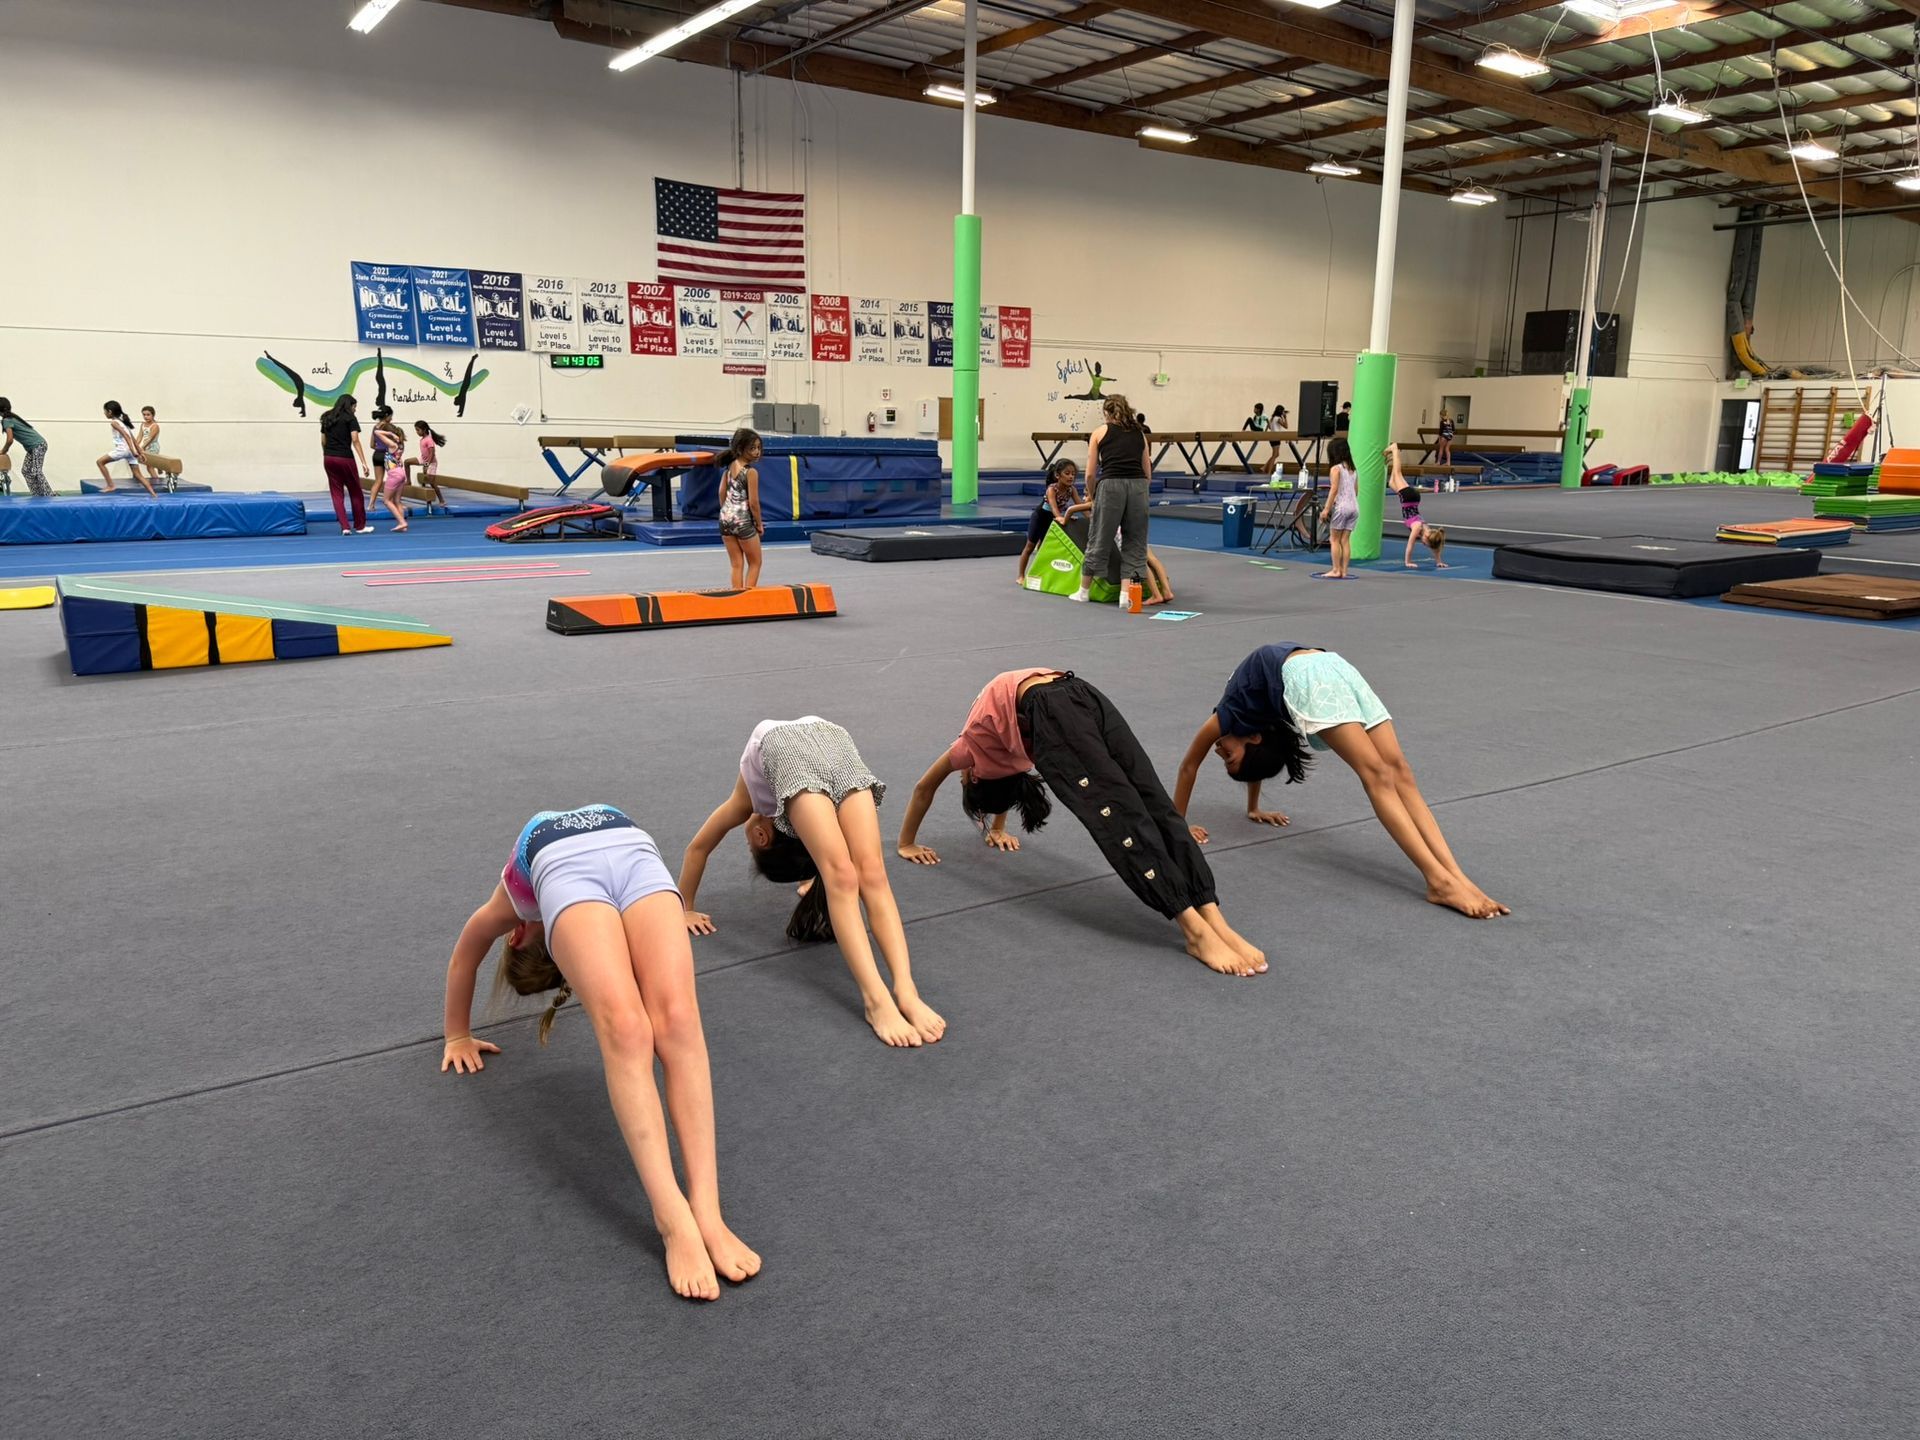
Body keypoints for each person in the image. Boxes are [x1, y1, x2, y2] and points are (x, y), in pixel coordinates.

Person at [440, 804, 760, 1301]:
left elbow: (467, 951)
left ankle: (708, 1212)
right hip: (629, 847)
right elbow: (471, 950)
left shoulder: (515, 900)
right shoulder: (528, 912)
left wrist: (457, 1033)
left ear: (520, 935)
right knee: (638, 1028)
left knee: (667, 1023)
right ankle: (677, 1218)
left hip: (600, 854)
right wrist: (455, 1034)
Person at [896, 670, 1267, 977]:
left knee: (1134, 809)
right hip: (1076, 690)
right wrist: (993, 828)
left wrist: (907, 842)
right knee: (1141, 805)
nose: (963, 774)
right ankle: (1204, 920)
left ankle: (1204, 922)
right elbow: (973, 784)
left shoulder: (973, 751)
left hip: (1053, 706)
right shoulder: (999, 758)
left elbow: (930, 787)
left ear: (976, 779)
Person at [1173, 644, 1508, 920]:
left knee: (1398, 770)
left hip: (1318, 670)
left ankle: (1452, 876)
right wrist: (1254, 808)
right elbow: (1253, 761)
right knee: (1380, 771)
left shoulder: (1226, 716)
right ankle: (1443, 879)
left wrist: (1176, 825)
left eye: (1226, 756)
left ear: (1255, 739)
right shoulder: (1252, 720)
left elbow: (1189, 766)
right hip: (1328, 665)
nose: (1219, 750)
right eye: (1227, 757)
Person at [679, 718, 945, 1048]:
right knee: (869, 874)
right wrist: (684, 906)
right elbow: (700, 847)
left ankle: (883, 998)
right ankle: (903, 990)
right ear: (762, 836)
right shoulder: (759, 805)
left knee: (843, 877)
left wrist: (685, 908)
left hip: (792, 747)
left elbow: (699, 847)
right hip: (831, 736)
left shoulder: (753, 799)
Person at [1074, 394, 1152, 603]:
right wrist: (1141, 490)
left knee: (1100, 536)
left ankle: (1083, 591)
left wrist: (1091, 494)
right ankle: (1127, 595)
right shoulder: (1139, 433)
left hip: (1111, 485)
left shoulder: (1100, 432)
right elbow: (1147, 470)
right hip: (1138, 485)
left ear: (1106, 413)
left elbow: (1090, 473)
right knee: (1135, 542)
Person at [1015, 457, 1090, 584]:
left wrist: (1091, 518)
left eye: (1073, 474)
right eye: (1067, 473)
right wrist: (1061, 517)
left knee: (1044, 548)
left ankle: (1040, 573)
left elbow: (1080, 505)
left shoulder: (1072, 490)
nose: (1071, 477)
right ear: (1057, 475)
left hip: (1053, 518)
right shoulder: (1052, 489)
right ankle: (1021, 575)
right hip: (1040, 517)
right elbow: (1054, 507)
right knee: (1029, 547)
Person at [715, 427, 764, 589]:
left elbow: (721, 493)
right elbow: (754, 503)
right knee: (755, 562)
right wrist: (759, 523)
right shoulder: (750, 472)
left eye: (758, 448)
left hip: (725, 519)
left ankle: (736, 599)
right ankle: (748, 600)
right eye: (752, 448)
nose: (757, 452)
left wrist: (727, 511)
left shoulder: (728, 470)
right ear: (740, 449)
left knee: (736, 564)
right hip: (742, 520)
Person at [1385, 444, 1448, 569]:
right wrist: (1407, 562)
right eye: (1426, 543)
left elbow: (1436, 547)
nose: (1424, 544)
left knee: (1392, 482)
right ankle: (1395, 449)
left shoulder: (1431, 534)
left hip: (1412, 499)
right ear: (1426, 537)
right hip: (1408, 498)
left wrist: (1438, 561)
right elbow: (1410, 545)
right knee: (1397, 472)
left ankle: (1392, 458)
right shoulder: (1418, 528)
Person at [317, 394, 372, 535]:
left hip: (329, 458)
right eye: (354, 407)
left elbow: (323, 441)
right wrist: (364, 462)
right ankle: (360, 526)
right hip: (345, 458)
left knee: (337, 494)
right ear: (349, 406)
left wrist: (328, 454)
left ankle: (345, 527)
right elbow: (355, 440)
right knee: (355, 492)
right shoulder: (350, 418)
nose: (355, 410)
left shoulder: (326, 417)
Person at [96, 401, 157, 497]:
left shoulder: (114, 423)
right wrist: (139, 452)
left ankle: (110, 485)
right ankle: (154, 495)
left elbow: (126, 436)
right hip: (130, 452)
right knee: (138, 475)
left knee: (99, 462)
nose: (104, 413)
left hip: (123, 450)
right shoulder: (123, 422)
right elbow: (133, 439)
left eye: (105, 411)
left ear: (110, 412)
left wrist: (134, 451)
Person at [1318, 436, 1357, 579]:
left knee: (1334, 540)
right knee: (1345, 540)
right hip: (1354, 507)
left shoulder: (1336, 469)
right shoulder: (1353, 469)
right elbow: (1356, 491)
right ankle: (1344, 571)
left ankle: (1336, 570)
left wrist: (1326, 509)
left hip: (1342, 506)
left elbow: (1333, 489)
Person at [0, 397, 54, 497]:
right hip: (33, 448)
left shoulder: (6, 420)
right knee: (26, 470)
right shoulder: (12, 418)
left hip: (38, 445)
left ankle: (49, 495)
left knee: (36, 472)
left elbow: (10, 440)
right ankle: (37, 494)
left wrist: (3, 451)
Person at [371, 447, 409, 532]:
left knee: (386, 500)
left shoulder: (392, 447)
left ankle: (402, 522)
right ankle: (403, 526)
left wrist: (390, 435)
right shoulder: (399, 447)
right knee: (397, 501)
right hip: (401, 473)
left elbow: (377, 432)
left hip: (394, 474)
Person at [411, 419, 447, 506]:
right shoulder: (423, 439)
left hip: (431, 462)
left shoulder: (429, 440)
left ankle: (442, 500)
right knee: (407, 462)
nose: (417, 432)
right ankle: (408, 481)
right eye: (416, 430)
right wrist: (424, 463)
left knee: (432, 483)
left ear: (424, 430)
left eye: (418, 430)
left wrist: (426, 465)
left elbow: (432, 453)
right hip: (424, 459)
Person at [135, 406, 163, 486]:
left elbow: (150, 438)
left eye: (148, 415)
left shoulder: (155, 426)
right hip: (145, 446)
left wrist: (142, 447)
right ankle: (159, 466)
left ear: (153, 415)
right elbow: (140, 436)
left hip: (153, 446)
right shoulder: (143, 424)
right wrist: (135, 445)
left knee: (149, 467)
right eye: (144, 415)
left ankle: (157, 482)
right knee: (149, 465)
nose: (146, 417)